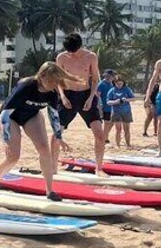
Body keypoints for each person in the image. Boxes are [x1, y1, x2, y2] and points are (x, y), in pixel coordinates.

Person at [0, 62, 77, 203]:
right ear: (42, 76)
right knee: (13, 156)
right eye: (52, 81)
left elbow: (54, 115)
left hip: (32, 116)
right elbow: (5, 112)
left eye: (56, 82)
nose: (54, 85)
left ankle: (49, 191)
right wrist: (5, 136)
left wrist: (59, 136)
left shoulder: (52, 93)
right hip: (11, 117)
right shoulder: (26, 85)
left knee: (44, 151)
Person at [51, 33, 107, 175]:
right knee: (56, 134)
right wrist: (62, 96)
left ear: (80, 46)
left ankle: (99, 168)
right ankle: (53, 168)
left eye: (74, 51)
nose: (71, 54)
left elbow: (95, 80)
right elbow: (58, 80)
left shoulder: (91, 57)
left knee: (100, 134)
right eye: (69, 51)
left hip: (86, 94)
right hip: (68, 95)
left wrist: (90, 98)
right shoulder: (61, 57)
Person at [105, 75, 135, 148]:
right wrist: (115, 101)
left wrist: (126, 100)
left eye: (121, 84)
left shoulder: (127, 89)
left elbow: (133, 98)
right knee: (118, 129)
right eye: (117, 84)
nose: (119, 85)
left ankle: (128, 144)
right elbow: (108, 102)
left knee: (127, 129)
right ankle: (118, 145)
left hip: (126, 111)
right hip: (116, 111)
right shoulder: (112, 90)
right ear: (114, 83)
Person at [96, 69, 115, 143]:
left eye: (111, 76)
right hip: (105, 107)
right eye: (108, 76)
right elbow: (97, 96)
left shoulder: (112, 84)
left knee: (112, 123)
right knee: (107, 123)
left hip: (113, 107)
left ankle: (105, 136)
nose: (109, 78)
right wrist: (99, 108)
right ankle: (105, 138)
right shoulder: (101, 84)